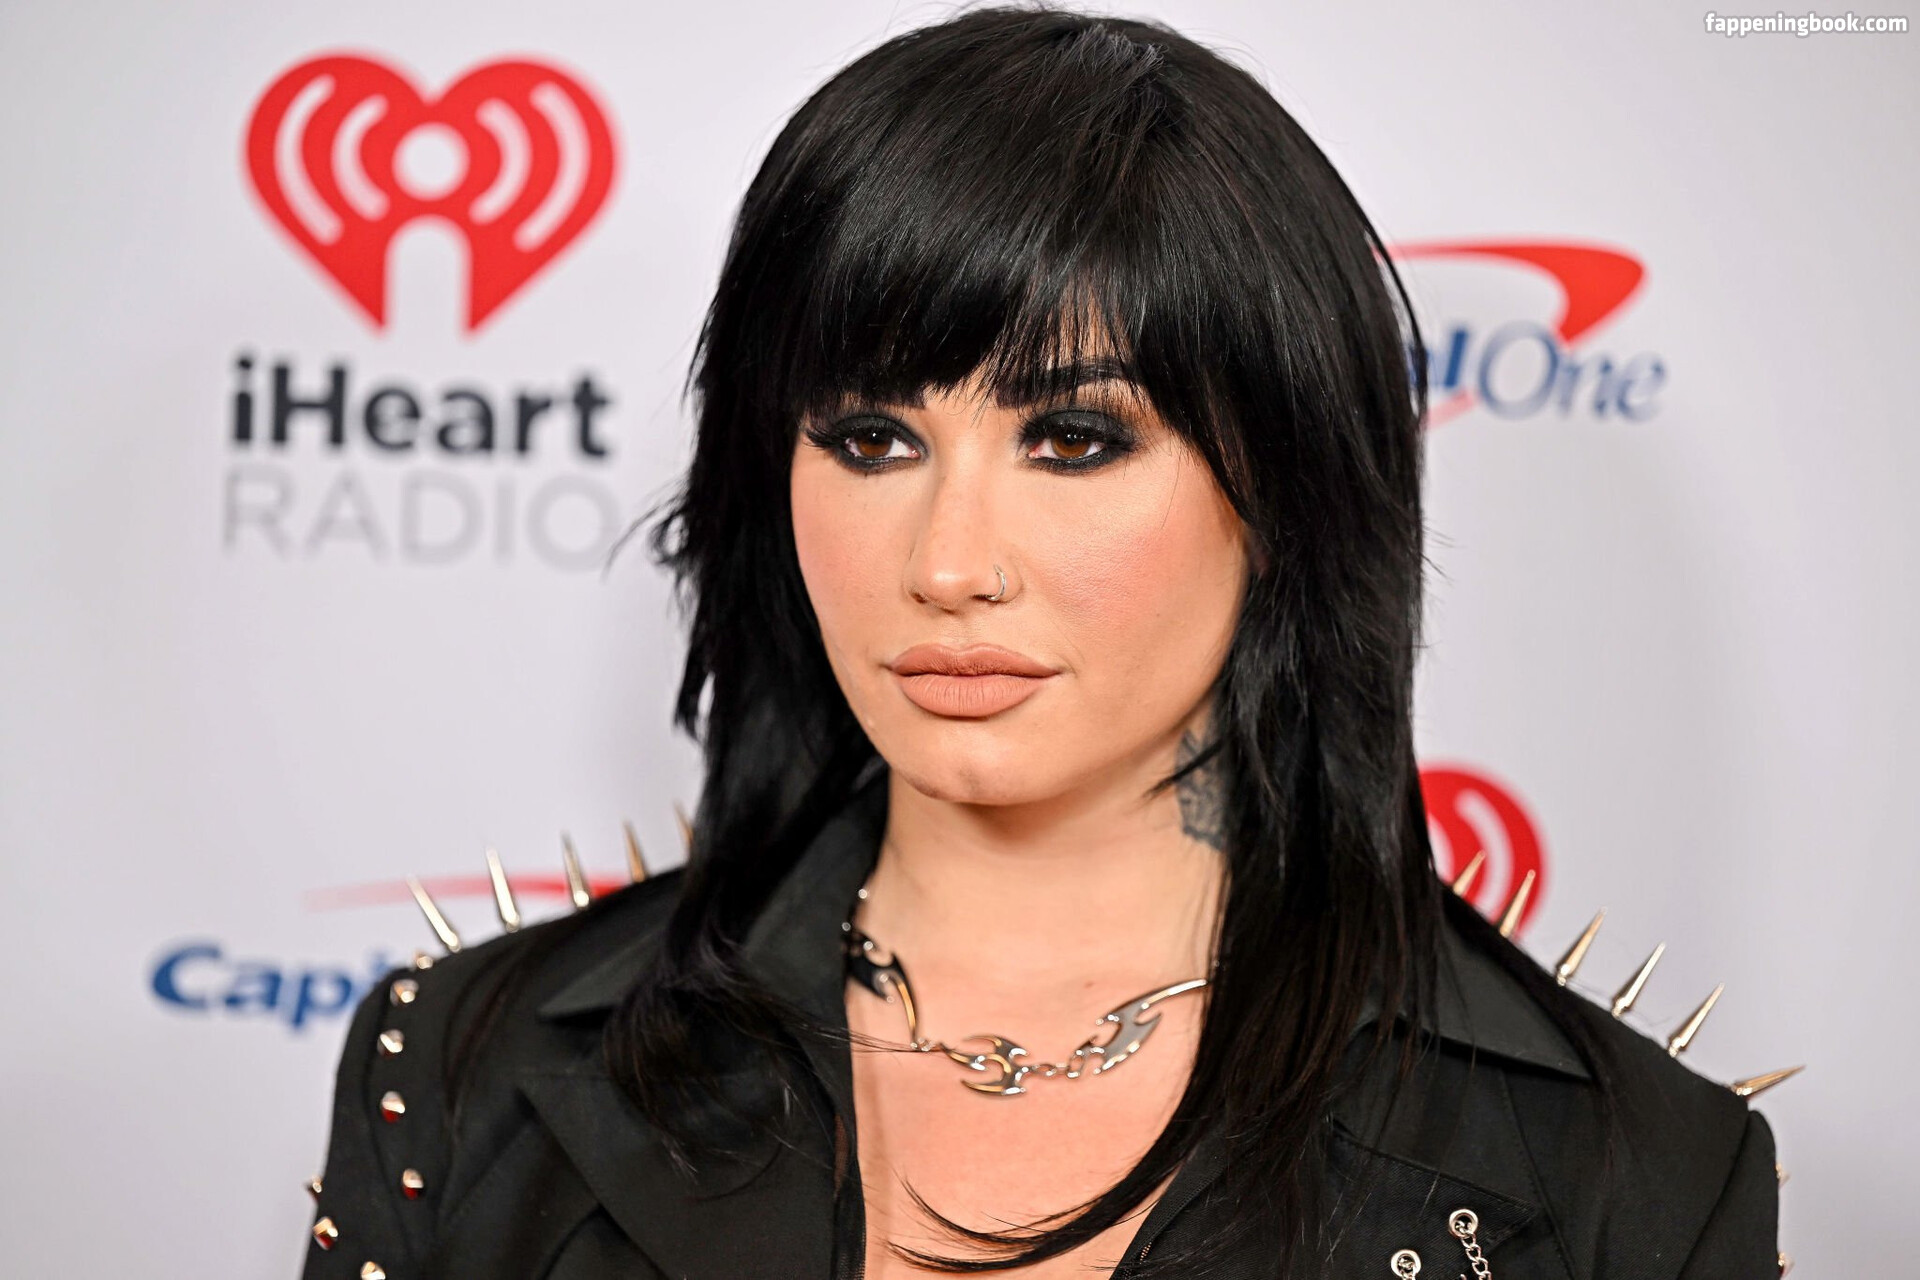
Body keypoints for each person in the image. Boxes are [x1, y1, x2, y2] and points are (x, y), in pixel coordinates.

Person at [299, 7, 1794, 1278]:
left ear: (1284, 491)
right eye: (871, 438)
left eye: (1074, 439)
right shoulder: (463, 1070)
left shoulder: (1627, 1177)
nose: (948, 565)